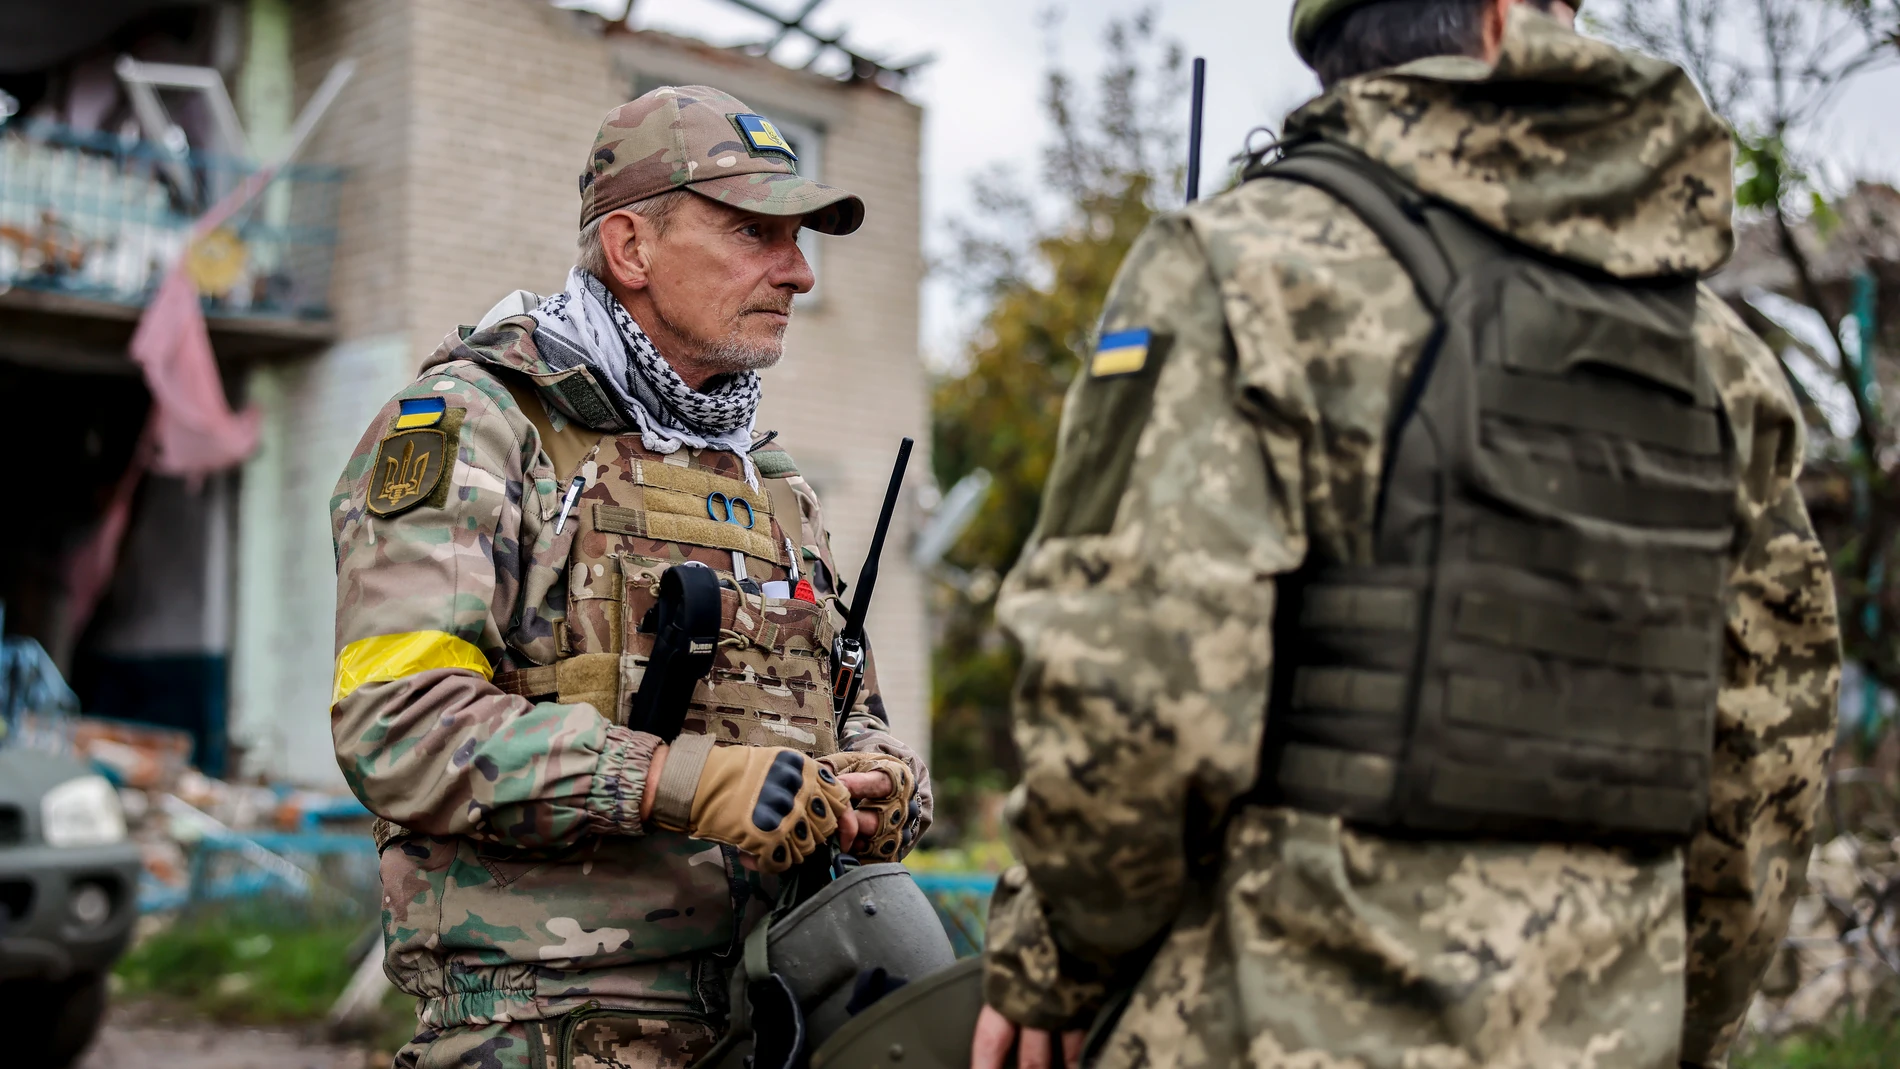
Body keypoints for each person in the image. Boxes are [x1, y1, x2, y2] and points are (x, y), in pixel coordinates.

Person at [973, 3, 1839, 1068]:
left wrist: (1053, 962)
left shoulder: (1247, 265)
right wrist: (1676, 1022)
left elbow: (1137, 701)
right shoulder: (1721, 355)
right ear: (1508, 23)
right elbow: (1763, 764)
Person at [329, 85, 931, 1069]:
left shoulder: (769, 478)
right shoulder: (479, 425)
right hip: (544, 1028)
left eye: (800, 238)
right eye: (756, 232)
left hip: (778, 1017)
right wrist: (668, 778)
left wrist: (881, 782)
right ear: (630, 248)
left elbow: (845, 704)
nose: (799, 273)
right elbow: (396, 722)